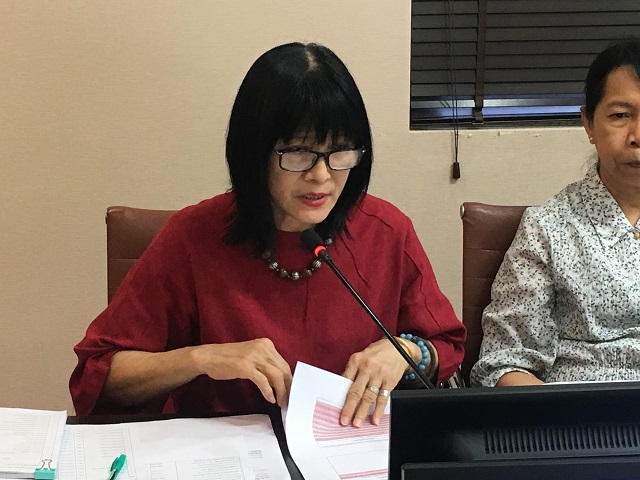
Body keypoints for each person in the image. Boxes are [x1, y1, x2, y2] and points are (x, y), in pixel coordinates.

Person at [70, 42, 465, 426]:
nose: (321, 175)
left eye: (340, 152)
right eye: (298, 153)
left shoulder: (387, 230)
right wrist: (199, 358)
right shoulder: (193, 237)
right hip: (227, 452)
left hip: (349, 448)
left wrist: (406, 352)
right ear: (254, 152)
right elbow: (98, 374)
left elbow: (447, 346)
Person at [471, 39, 640, 387]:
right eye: (621, 115)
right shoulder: (547, 228)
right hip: (579, 412)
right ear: (589, 124)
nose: (637, 136)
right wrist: (563, 416)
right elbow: (504, 363)